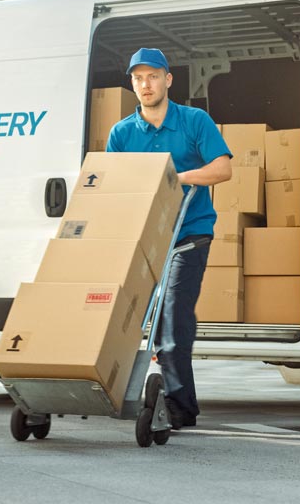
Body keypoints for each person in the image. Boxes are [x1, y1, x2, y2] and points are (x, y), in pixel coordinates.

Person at [106, 48, 232, 428]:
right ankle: (110, 386)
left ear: (168, 80)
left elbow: (223, 168)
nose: (146, 84)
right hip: (143, 239)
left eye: (153, 76)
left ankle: (181, 407)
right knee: (120, 316)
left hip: (188, 235)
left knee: (173, 320)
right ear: (133, 84)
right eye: (138, 78)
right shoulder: (123, 133)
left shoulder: (195, 121)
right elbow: (113, 185)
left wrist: (175, 179)